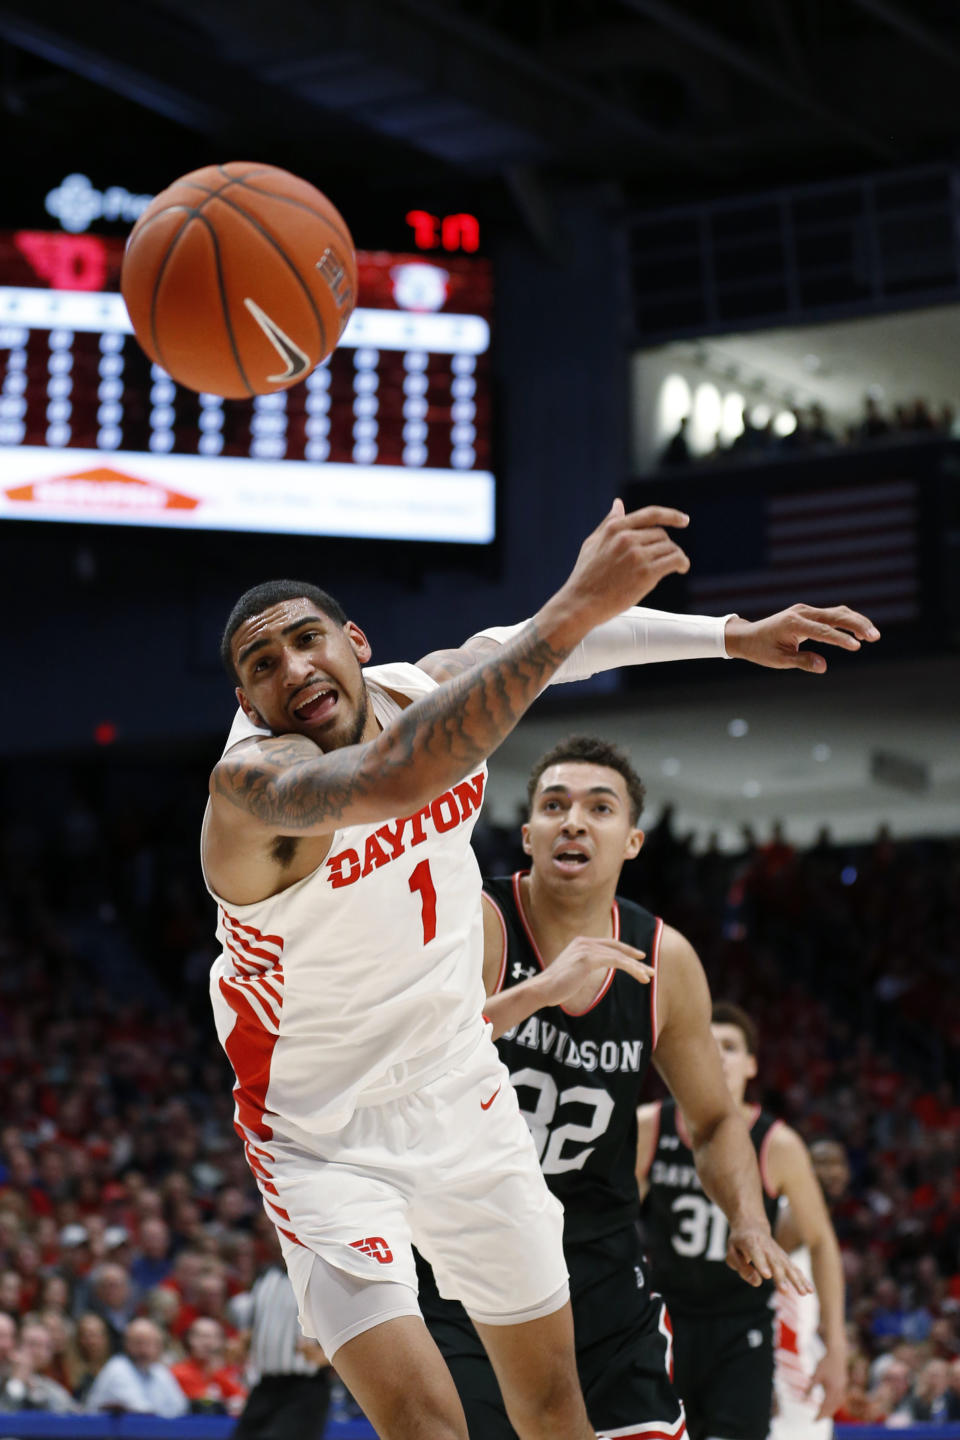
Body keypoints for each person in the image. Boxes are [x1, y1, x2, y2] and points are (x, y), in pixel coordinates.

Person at [203, 497, 878, 1440]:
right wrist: (572, 605)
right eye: (262, 667)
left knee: (556, 1405)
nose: (294, 671)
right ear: (247, 701)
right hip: (322, 1131)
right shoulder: (253, 789)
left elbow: (579, 646)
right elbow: (398, 776)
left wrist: (734, 636)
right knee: (429, 1420)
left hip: (457, 1087)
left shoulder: (426, 685)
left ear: (355, 642)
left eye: (309, 641)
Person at [418, 734, 809, 1440]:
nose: (574, 821)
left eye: (599, 808)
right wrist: (538, 992)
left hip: (594, 1260)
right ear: (528, 832)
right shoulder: (473, 923)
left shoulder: (666, 957)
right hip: (464, 1250)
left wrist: (746, 1216)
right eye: (554, 805)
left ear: (631, 841)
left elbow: (716, 1120)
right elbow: (414, 1069)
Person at [638, 1004, 847, 1440]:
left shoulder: (778, 1143)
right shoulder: (651, 1126)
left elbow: (822, 1243)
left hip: (741, 1328)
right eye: (708, 1045)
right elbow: (608, 1221)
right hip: (664, 1321)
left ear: (752, 1065)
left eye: (731, 1047)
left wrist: (837, 1347)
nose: (719, 1055)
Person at [772, 1140, 851, 1440]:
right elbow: (756, 1295)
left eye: (838, 1163)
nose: (833, 1172)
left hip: (800, 1356)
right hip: (781, 1364)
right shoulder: (793, 1215)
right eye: (823, 1163)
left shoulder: (816, 1221)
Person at [233, 1249, 331, 1440]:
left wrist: (326, 1356)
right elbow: (252, 1325)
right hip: (265, 1384)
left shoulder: (325, 1275)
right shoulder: (265, 1275)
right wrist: (241, 1343)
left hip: (306, 1389)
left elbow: (349, 1329)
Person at [85, 1316, 188, 1417]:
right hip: (98, 1433)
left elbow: (180, 1408)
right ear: (126, 1344)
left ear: (159, 1346)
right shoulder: (118, 1368)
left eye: (149, 1343)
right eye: (138, 1343)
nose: (144, 1350)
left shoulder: (159, 1371)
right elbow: (142, 1412)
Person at [171, 1316, 247, 1415]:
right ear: (189, 1340)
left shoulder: (225, 1373)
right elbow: (203, 1400)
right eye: (201, 1337)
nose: (208, 1343)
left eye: (214, 1337)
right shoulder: (176, 1373)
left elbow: (242, 1399)